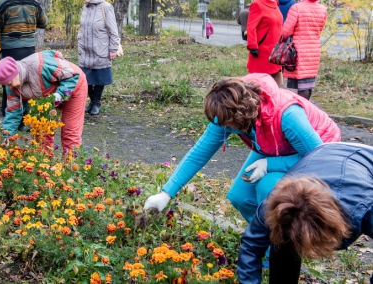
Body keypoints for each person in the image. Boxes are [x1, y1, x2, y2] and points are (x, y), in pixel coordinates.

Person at [143, 73, 341, 222]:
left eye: (225, 124)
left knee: (268, 189)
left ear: (240, 117)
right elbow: (199, 153)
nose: (221, 128)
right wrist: (166, 193)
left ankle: (280, 251)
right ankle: (263, 238)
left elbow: (319, 158)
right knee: (240, 196)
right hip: (271, 146)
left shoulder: (287, 115)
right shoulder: (227, 115)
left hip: (317, 149)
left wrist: (270, 164)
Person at [237, 142, 373, 284]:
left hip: (367, 157)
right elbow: (251, 247)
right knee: (283, 238)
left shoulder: (365, 208)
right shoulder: (276, 205)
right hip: (323, 152)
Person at [0, 51, 87, 154]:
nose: (10, 87)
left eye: (10, 83)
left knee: (70, 131)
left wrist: (60, 94)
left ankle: (70, 165)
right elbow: (13, 112)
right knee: (42, 132)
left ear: (16, 72)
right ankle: (44, 163)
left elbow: (73, 75)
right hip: (48, 99)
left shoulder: (40, 66)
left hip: (73, 86)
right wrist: (7, 136)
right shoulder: (12, 88)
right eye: (6, 85)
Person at [77, 0, 120, 116]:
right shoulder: (86, 7)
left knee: (100, 78)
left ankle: (96, 103)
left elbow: (113, 30)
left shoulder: (105, 7)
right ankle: (91, 102)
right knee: (86, 78)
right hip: (85, 50)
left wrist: (113, 48)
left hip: (100, 49)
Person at [282, 0, 327, 101]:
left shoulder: (297, 8)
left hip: (299, 50)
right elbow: (320, 29)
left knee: (302, 86)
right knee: (308, 83)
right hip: (314, 50)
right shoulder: (323, 9)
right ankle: (305, 109)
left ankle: (302, 111)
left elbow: (286, 31)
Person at [246, 0, 284, 86]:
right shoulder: (257, 4)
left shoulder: (275, 4)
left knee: (276, 83)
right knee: (261, 83)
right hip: (262, 50)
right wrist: (252, 45)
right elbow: (251, 26)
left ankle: (275, 101)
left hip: (275, 50)